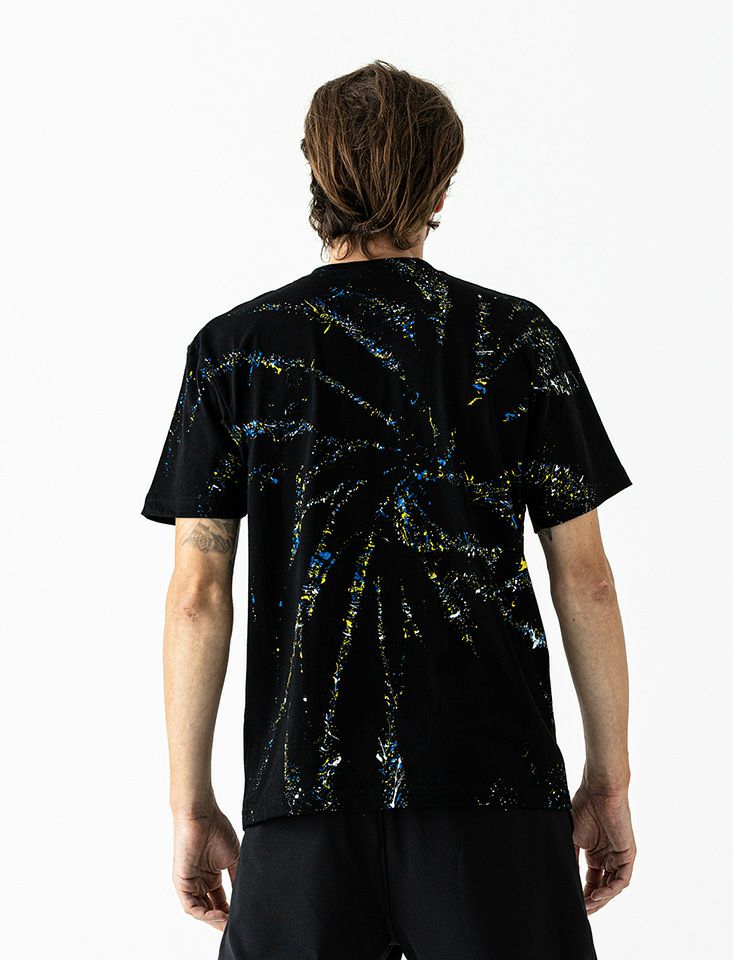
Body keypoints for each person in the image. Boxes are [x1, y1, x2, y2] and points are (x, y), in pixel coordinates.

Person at [142, 59, 636, 960]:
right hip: (492, 789)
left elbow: (196, 596)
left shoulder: (235, 350)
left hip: (300, 795)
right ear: (442, 187)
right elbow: (588, 581)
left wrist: (190, 803)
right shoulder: (516, 340)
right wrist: (610, 781)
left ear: (315, 174)